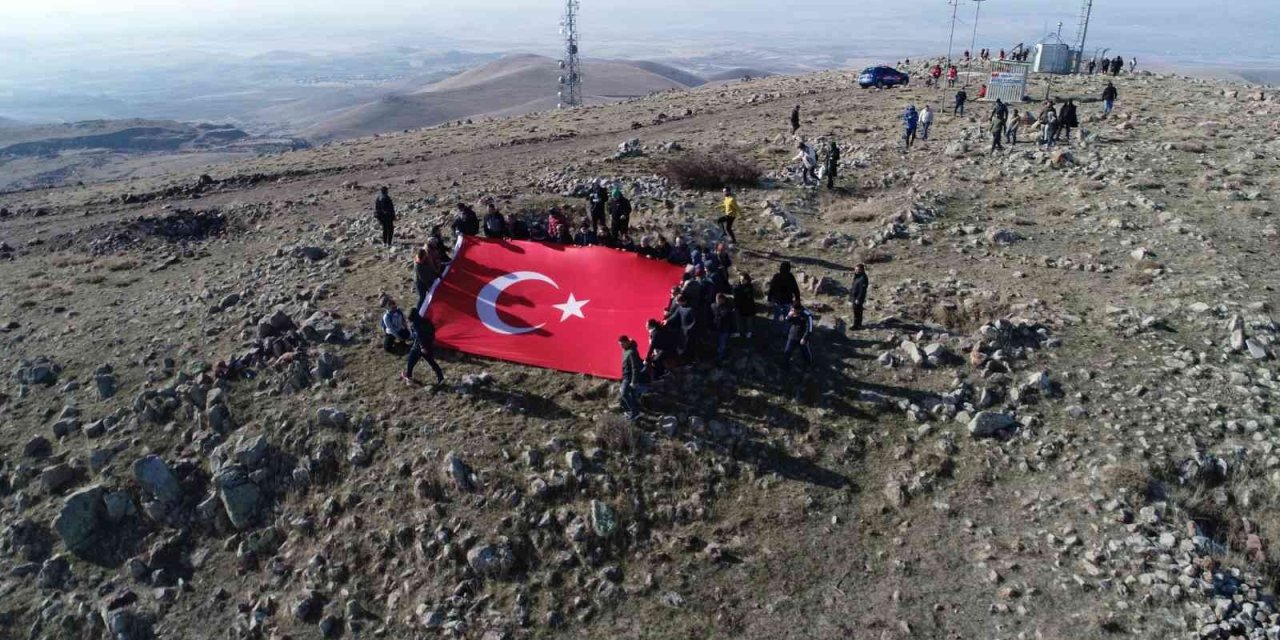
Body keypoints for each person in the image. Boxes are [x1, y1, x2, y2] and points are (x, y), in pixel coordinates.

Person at [401, 308, 444, 386]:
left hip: (419, 347)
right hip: (429, 345)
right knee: (431, 362)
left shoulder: (415, 324)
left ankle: (409, 377)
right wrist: (431, 341)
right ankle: (441, 378)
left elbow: (419, 336)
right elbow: (433, 330)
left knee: (411, 361)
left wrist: (422, 347)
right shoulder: (426, 320)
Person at [767, 262, 800, 331]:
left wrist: (769, 299)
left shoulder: (776, 276)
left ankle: (775, 331)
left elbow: (771, 288)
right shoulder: (790, 277)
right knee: (787, 317)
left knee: (776, 317)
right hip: (788, 300)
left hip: (777, 300)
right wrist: (797, 299)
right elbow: (795, 289)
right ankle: (786, 332)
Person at [780, 303, 814, 369]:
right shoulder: (792, 311)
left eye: (794, 310)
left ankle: (808, 365)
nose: (793, 311)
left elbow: (809, 328)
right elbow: (787, 320)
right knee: (787, 351)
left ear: (799, 310)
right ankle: (785, 366)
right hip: (792, 335)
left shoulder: (807, 315)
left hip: (802, 336)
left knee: (805, 352)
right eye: (792, 310)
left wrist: (805, 338)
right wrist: (789, 316)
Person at [618, 336, 643, 420]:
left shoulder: (631, 352)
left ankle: (634, 411)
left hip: (629, 378)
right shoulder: (626, 350)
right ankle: (636, 413)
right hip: (626, 376)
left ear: (626, 342)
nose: (621, 346)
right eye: (620, 344)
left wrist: (633, 381)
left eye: (622, 344)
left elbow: (634, 367)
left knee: (624, 393)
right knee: (632, 395)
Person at [711, 293, 736, 364]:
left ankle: (720, 357)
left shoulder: (727, 308)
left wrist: (732, 330)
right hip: (716, 327)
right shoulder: (713, 306)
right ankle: (717, 356)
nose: (718, 301)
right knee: (716, 342)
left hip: (724, 328)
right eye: (717, 299)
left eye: (719, 299)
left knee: (722, 344)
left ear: (723, 300)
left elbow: (730, 319)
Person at [732, 273, 758, 338]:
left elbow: (746, 296)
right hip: (739, 306)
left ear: (747, 280)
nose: (741, 281)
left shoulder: (749, 287)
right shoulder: (738, 286)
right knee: (739, 321)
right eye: (740, 279)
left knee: (749, 321)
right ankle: (740, 332)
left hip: (748, 306)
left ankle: (749, 332)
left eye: (743, 280)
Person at [850, 264, 869, 330]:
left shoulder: (863, 278)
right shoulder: (858, 276)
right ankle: (858, 324)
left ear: (862, 270)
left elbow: (862, 290)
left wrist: (858, 299)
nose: (856, 271)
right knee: (857, 311)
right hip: (854, 297)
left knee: (857, 312)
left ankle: (856, 326)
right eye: (855, 269)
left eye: (857, 270)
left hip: (858, 298)